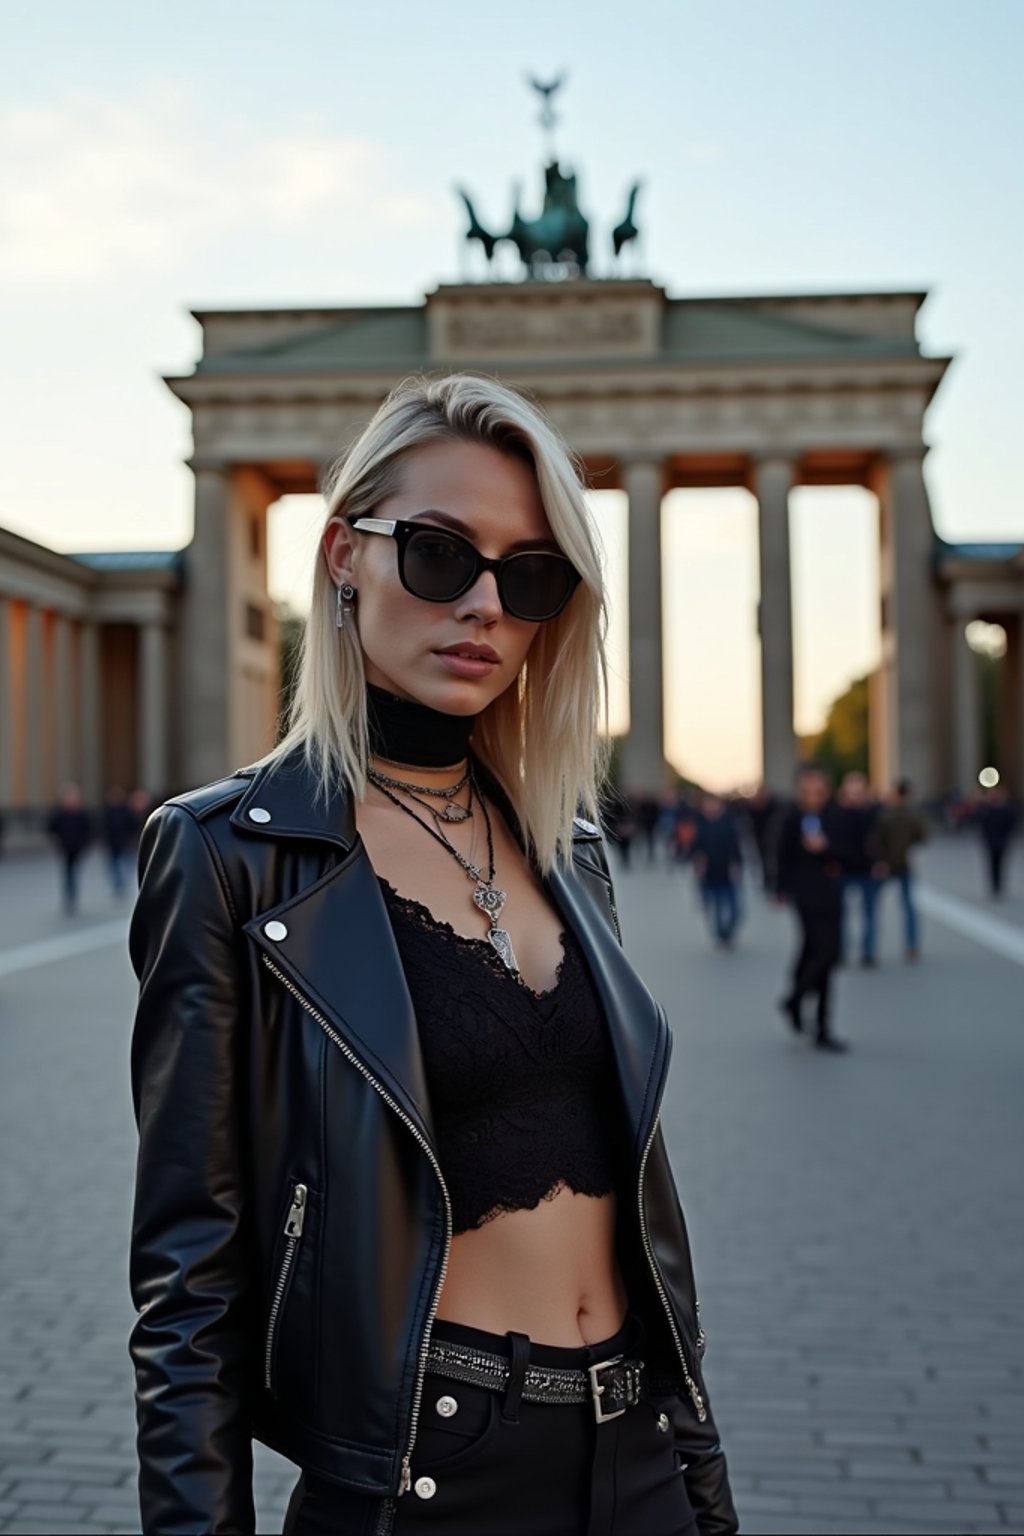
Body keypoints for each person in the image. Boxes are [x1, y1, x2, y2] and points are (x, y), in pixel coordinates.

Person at [128, 376, 736, 1536]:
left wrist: (702, 1477)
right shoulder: (226, 859)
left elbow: (649, 1218)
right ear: (342, 555)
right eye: (441, 554)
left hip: (638, 1454)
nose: (486, 608)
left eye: (532, 575)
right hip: (427, 1474)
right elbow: (186, 1291)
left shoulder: (571, 848)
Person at [774, 765, 848, 1052]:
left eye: (818, 791)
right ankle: (797, 1002)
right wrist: (779, 889)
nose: (813, 796)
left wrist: (826, 848)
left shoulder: (836, 817)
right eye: (808, 791)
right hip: (805, 896)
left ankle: (816, 1022)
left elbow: (853, 853)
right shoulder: (791, 818)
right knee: (825, 953)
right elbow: (782, 855)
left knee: (816, 954)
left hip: (832, 894)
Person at [833, 771, 886, 968]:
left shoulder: (874, 813)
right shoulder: (837, 813)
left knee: (870, 913)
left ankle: (868, 951)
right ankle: (841, 951)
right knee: (841, 914)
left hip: (868, 870)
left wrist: (880, 862)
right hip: (843, 870)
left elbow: (882, 840)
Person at [875, 780, 929, 960]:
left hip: (886, 864)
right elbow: (923, 836)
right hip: (904, 863)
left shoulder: (886, 814)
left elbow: (877, 838)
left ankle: (869, 947)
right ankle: (912, 945)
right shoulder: (913, 815)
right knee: (908, 908)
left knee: (872, 906)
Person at [691, 795, 743, 950]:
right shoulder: (700, 826)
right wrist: (697, 862)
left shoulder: (729, 824)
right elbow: (695, 848)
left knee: (735, 909)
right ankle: (721, 936)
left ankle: (728, 933)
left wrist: (738, 865)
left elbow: (736, 848)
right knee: (716, 908)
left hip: (727, 872)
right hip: (710, 874)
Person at [46, 783, 92, 913]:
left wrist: (85, 842)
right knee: (68, 871)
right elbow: (51, 827)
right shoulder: (59, 813)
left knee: (73, 870)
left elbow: (88, 828)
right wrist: (57, 839)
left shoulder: (81, 813)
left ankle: (72, 894)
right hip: (65, 846)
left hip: (77, 847)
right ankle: (69, 895)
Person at [974, 785, 1019, 897]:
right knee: (992, 864)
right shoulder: (987, 809)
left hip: (1002, 841)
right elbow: (980, 822)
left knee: (1000, 864)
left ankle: (999, 885)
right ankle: (994, 886)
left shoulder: (1007, 809)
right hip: (991, 841)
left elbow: (1011, 824)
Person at [101, 785, 139, 898]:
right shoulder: (107, 811)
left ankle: (122, 884)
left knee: (123, 864)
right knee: (114, 865)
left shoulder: (126, 810)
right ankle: (118, 884)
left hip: (123, 842)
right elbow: (103, 826)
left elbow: (133, 824)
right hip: (112, 842)